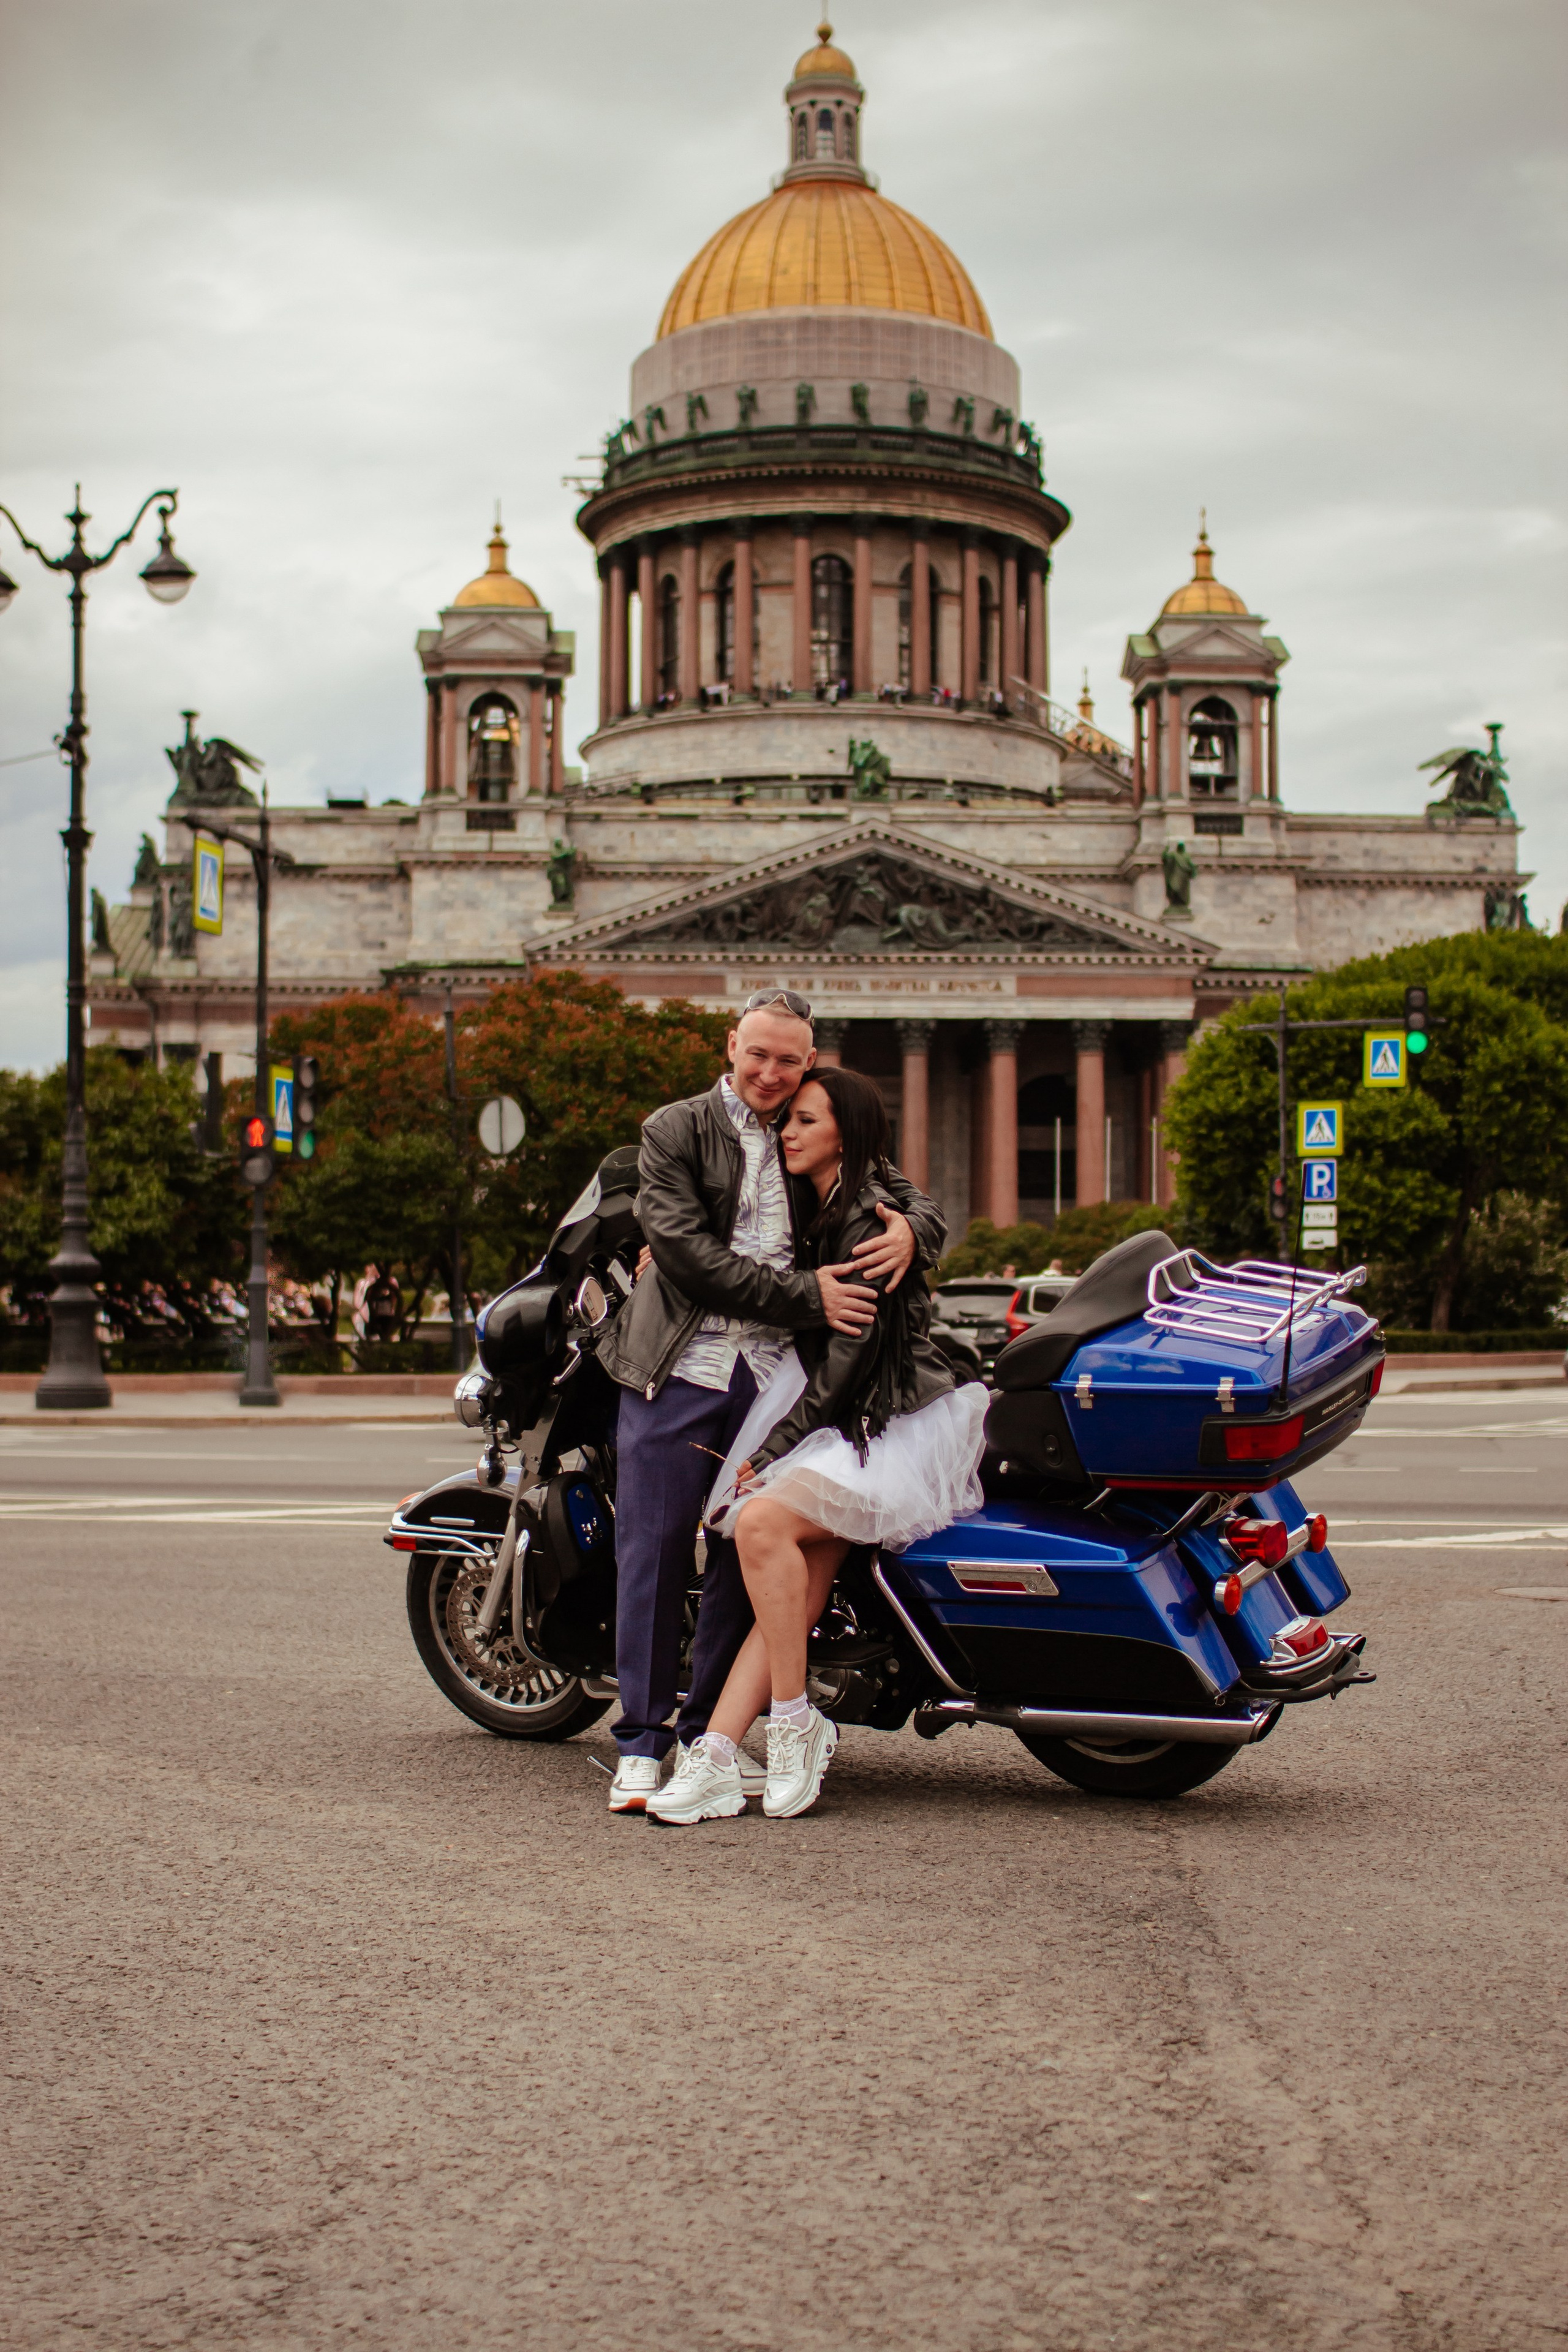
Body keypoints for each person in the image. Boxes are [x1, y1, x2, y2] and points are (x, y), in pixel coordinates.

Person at [596, 992, 947, 1812]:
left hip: (772, 1376)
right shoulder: (676, 1128)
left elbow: (900, 1191)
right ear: (731, 1045)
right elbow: (687, 1255)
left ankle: (704, 1736)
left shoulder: (807, 1121)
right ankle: (640, 1745)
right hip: (681, 1366)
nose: (770, 1073)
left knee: (739, 1557)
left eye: (788, 1060)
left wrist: (913, 1231)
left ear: (808, 1061)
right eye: (758, 1054)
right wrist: (809, 1296)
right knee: (652, 1551)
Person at [647, 1067, 985, 1826]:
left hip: (886, 1418)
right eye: (788, 1120)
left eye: (806, 1120)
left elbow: (847, 1366)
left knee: (761, 1523)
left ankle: (795, 1720)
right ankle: (716, 1753)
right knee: (791, 1597)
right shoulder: (821, 1194)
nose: (789, 1132)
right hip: (849, 1411)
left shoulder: (868, 1216)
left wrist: (772, 1452)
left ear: (846, 1134)